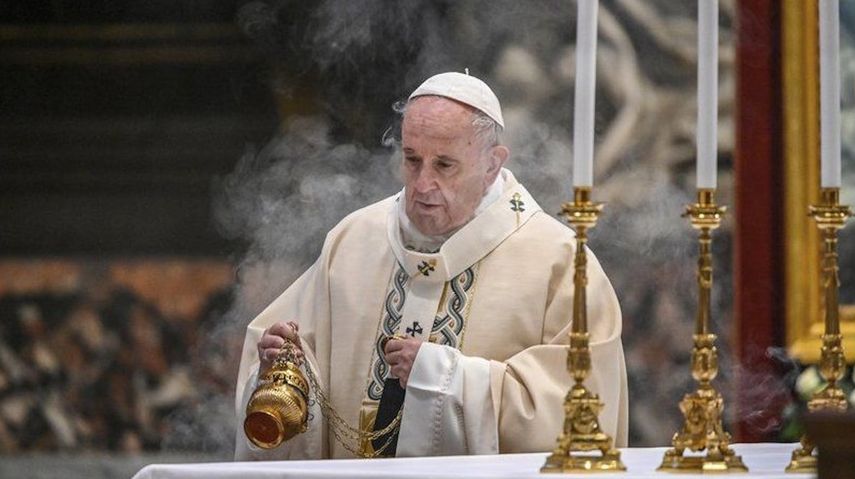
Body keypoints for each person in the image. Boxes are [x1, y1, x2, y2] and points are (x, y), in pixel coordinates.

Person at [234, 72, 627, 460]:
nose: (422, 184)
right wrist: (283, 371)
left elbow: (578, 415)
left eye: (444, 165)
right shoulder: (354, 241)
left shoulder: (559, 262)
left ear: (492, 164)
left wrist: (442, 378)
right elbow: (296, 369)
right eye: (412, 160)